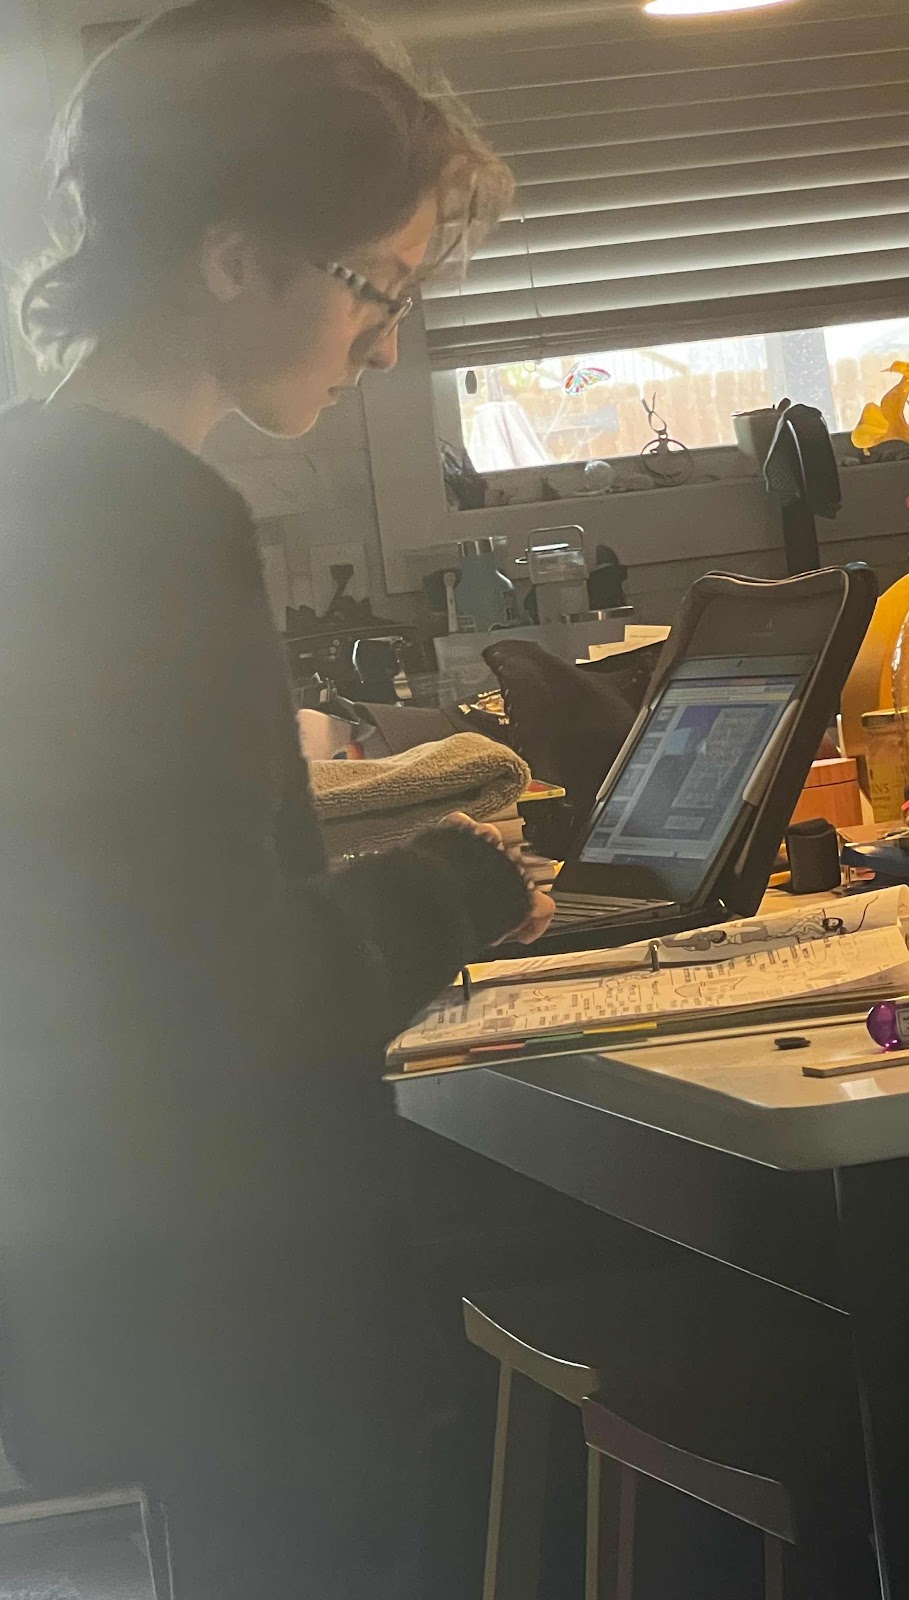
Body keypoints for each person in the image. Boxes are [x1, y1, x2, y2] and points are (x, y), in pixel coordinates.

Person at [0, 1, 553, 1593]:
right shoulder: (144, 520)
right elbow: (230, 987)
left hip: (120, 1277)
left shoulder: (41, 481)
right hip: (242, 1307)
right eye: (376, 285)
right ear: (235, 259)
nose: (384, 342)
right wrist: (462, 882)